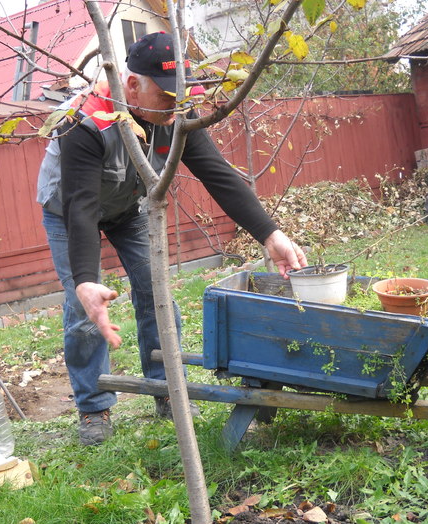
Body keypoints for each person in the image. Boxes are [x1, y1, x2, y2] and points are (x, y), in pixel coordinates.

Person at [36, 32, 307, 446]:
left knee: (157, 295)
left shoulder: (176, 117)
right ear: (132, 85)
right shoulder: (84, 122)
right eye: (166, 95)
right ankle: (94, 409)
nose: (177, 105)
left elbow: (218, 175)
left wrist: (271, 236)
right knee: (82, 311)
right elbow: (82, 207)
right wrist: (86, 280)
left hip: (128, 208)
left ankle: (166, 391)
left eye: (181, 95)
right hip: (69, 211)